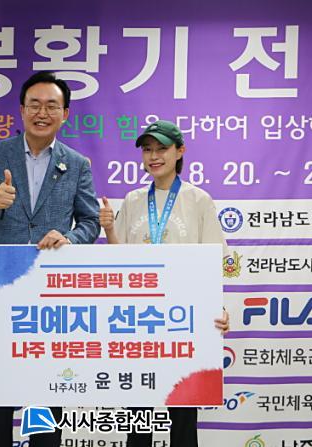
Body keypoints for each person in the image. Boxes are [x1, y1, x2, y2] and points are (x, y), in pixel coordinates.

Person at [0, 71, 100, 447]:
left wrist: (69, 238)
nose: (42, 113)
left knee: (46, 392)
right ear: (22, 110)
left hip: (50, 297)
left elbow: (90, 222)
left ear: (65, 113)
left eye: (52, 106)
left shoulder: (77, 164)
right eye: (35, 105)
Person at [99, 120, 230, 447]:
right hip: (140, 318)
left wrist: (220, 308)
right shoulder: (132, 200)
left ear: (180, 151)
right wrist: (110, 230)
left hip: (184, 319)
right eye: (147, 150)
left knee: (183, 415)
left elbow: (213, 260)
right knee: (137, 415)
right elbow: (118, 262)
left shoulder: (198, 199)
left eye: (162, 149)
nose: (154, 156)